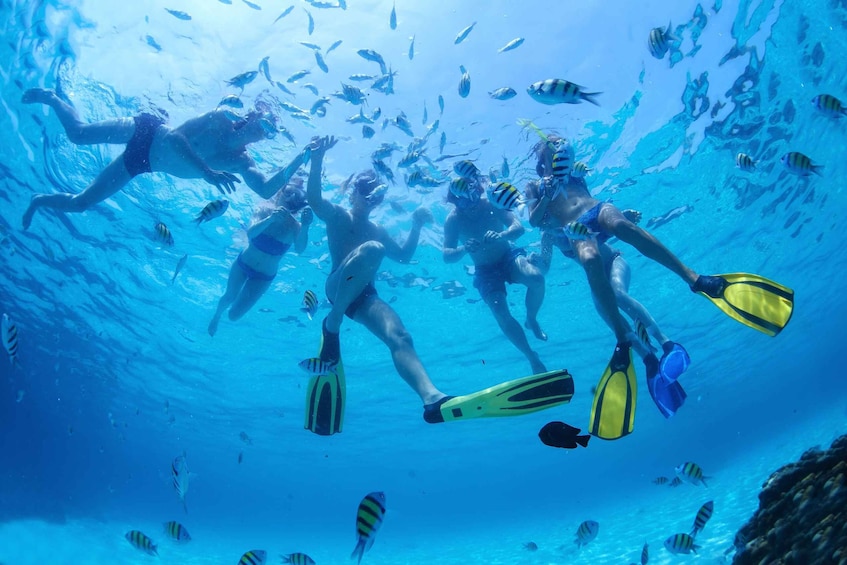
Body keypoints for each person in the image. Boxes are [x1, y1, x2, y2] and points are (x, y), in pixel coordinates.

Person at [527, 134, 794, 440]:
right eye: (549, 149)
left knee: (624, 228)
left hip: (597, 213)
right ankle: (640, 350)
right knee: (590, 263)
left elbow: (574, 159)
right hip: (580, 236)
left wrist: (564, 154)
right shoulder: (537, 189)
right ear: (540, 162)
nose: (555, 148)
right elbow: (534, 222)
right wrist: (547, 197)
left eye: (557, 146)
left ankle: (693, 281)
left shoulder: (572, 170)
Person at [302, 136, 575, 434]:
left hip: (365, 295)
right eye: (365, 192)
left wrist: (417, 225)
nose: (371, 199)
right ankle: (333, 322)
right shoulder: (338, 216)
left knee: (401, 336)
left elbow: (404, 256)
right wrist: (317, 158)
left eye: (376, 195)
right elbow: (315, 200)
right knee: (373, 250)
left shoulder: (376, 228)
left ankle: (431, 399)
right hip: (336, 287)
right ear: (353, 191)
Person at [20, 87, 308, 229]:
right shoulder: (220, 118)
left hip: (145, 164)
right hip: (147, 131)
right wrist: (206, 171)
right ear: (253, 114)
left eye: (271, 130)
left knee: (81, 203)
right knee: (78, 135)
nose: (264, 131)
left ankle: (38, 200)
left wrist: (301, 157)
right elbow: (172, 138)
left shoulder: (242, 162)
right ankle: (53, 98)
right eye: (265, 122)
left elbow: (266, 189)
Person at [525, 181, 687, 418]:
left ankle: (666, 343)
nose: (547, 216)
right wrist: (536, 261)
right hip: (597, 281)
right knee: (608, 315)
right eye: (544, 212)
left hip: (615, 263)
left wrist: (626, 216)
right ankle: (650, 361)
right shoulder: (547, 236)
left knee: (618, 295)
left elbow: (602, 220)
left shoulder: (575, 215)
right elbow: (546, 266)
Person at [442, 174, 548, 374]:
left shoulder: (492, 204)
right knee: (500, 312)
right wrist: (464, 248)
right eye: (463, 201)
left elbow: (518, 228)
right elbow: (447, 255)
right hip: (484, 270)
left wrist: (502, 235)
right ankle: (531, 356)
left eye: (473, 196)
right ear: (455, 200)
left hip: (508, 257)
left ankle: (531, 318)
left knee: (536, 278)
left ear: (479, 192)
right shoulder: (453, 220)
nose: (470, 204)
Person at [208, 175, 313, 336]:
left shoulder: (295, 226)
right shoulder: (263, 210)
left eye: (296, 197)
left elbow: (299, 249)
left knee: (234, 315)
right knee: (229, 297)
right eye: (288, 192)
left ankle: (227, 312)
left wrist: (305, 226)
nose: (291, 198)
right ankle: (216, 316)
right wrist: (271, 219)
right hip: (243, 263)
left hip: (264, 276)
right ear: (279, 194)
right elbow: (250, 234)